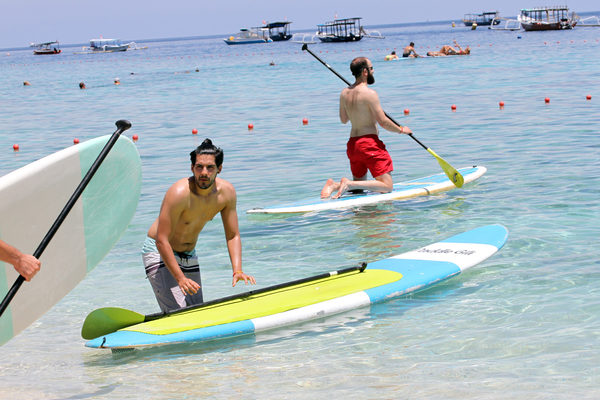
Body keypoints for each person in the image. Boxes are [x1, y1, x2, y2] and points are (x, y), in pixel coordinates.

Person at [143, 138, 255, 312]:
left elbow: (232, 235)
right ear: (192, 168)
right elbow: (161, 240)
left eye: (210, 167)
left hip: (188, 255)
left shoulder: (227, 193)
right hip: (159, 251)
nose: (204, 172)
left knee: (197, 310)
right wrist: (180, 278)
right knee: (179, 312)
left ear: (219, 168)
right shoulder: (179, 193)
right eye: (199, 167)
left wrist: (237, 270)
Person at [321, 57, 413, 199]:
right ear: (365, 71)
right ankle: (348, 184)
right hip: (369, 145)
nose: (373, 71)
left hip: (353, 146)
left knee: (359, 186)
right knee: (387, 187)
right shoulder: (370, 94)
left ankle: (334, 185)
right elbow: (383, 122)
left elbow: (344, 120)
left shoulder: (344, 93)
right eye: (371, 68)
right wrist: (402, 130)